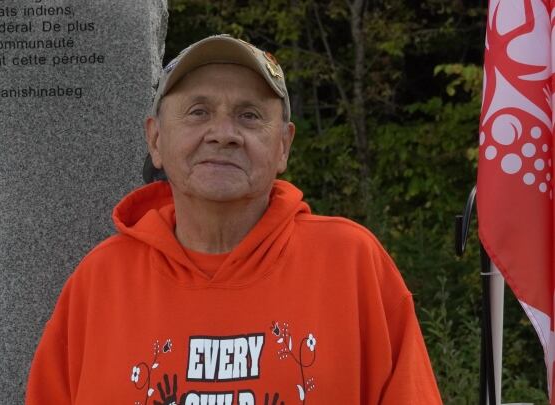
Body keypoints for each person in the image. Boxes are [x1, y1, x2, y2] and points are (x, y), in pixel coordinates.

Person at [25, 34, 443, 405]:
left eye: (249, 115)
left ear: (283, 145)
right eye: (198, 112)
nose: (223, 132)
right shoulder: (100, 281)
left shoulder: (352, 265)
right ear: (156, 139)